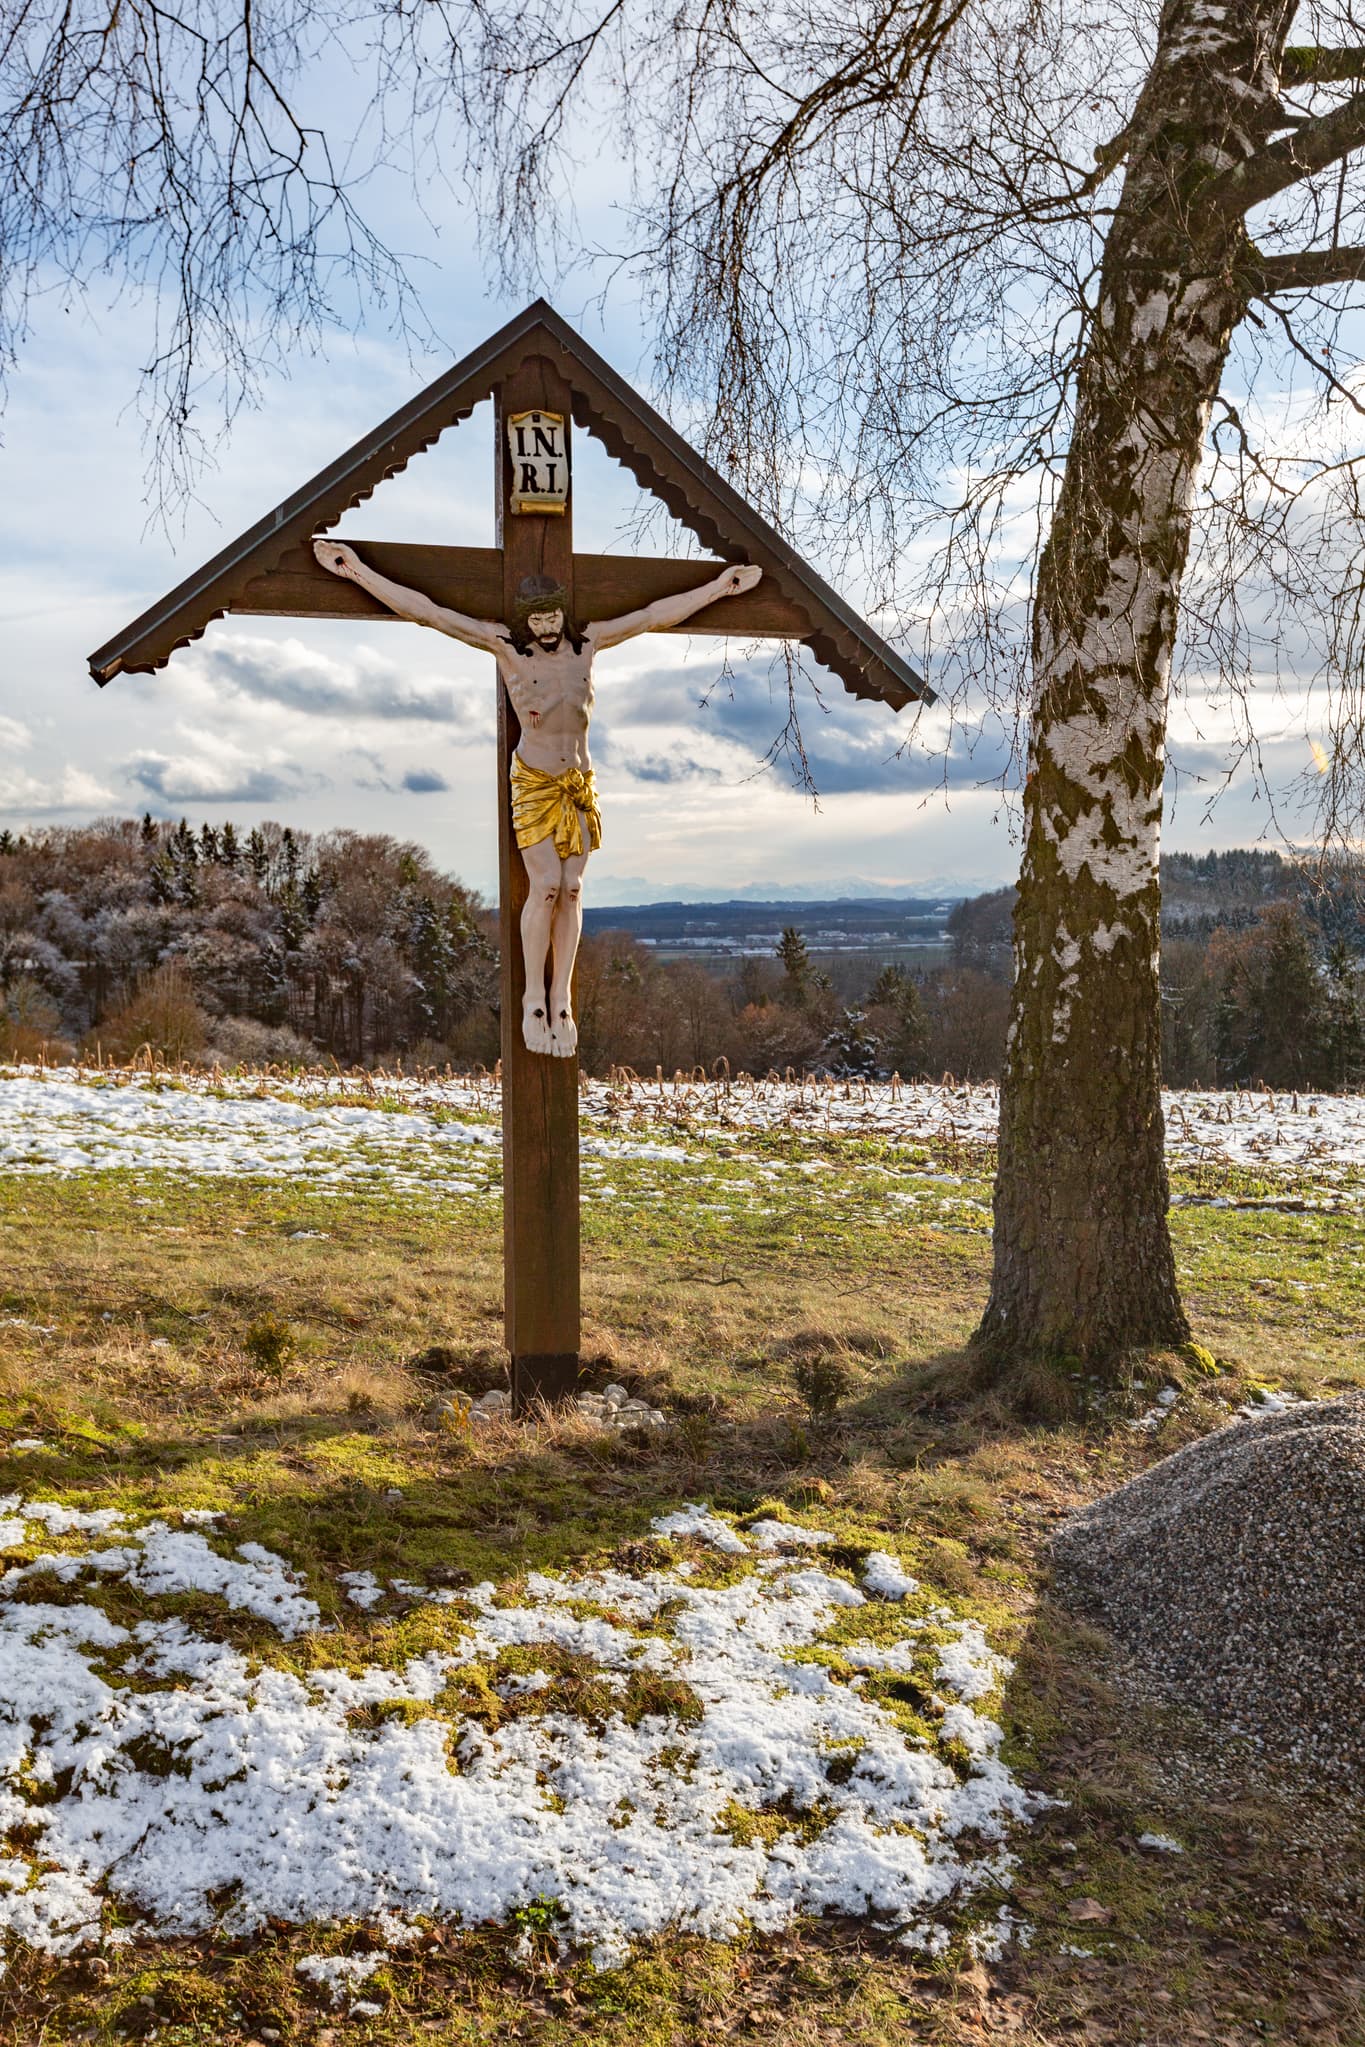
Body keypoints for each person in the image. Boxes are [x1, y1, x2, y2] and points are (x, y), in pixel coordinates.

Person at [313, 539, 762, 1054]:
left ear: (561, 615)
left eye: (553, 617)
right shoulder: (504, 646)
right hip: (535, 780)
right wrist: (356, 573)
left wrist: (721, 588)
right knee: (545, 885)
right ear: (526, 622)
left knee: (572, 888)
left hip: (578, 782)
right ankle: (532, 1000)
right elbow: (430, 613)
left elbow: (652, 616)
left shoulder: (588, 644)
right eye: (539, 620)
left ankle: (562, 996)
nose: (547, 627)